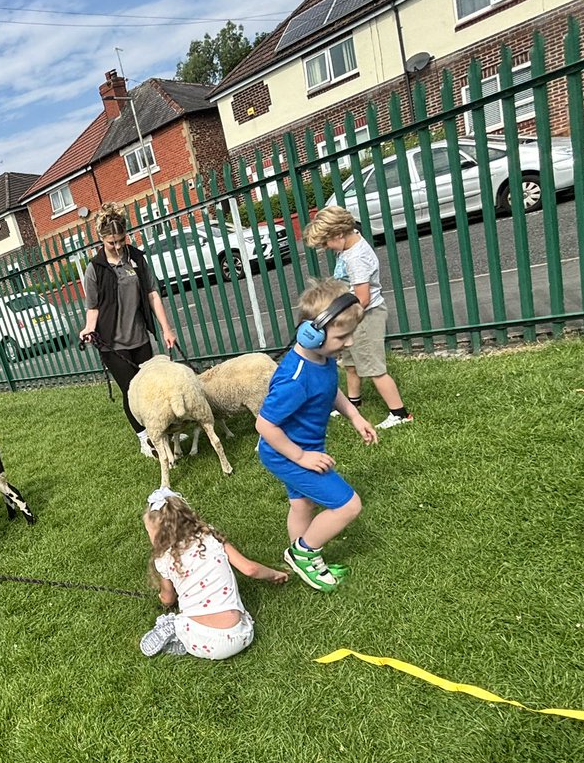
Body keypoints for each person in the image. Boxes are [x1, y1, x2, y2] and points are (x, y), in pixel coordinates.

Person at [256, 278, 379, 592]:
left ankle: (301, 558)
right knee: (348, 505)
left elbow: (329, 389)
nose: (349, 343)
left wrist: (354, 415)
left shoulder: (321, 359)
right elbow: (264, 425)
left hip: (303, 447)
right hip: (286, 452)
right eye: (342, 336)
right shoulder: (294, 379)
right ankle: (304, 553)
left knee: (302, 506)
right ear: (312, 333)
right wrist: (301, 457)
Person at [78, 202, 179, 458]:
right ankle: (145, 438)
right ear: (102, 239)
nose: (118, 246)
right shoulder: (95, 269)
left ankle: (160, 432)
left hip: (139, 337)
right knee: (132, 391)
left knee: (151, 387)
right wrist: (89, 328)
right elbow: (93, 307)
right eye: (112, 242)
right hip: (112, 343)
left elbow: (153, 294)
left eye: (121, 240)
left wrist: (167, 329)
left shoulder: (137, 258)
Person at [138, 488, 287, 659]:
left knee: (180, 620)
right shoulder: (209, 537)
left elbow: (168, 598)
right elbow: (250, 569)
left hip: (201, 640)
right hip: (241, 636)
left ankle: (175, 629)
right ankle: (185, 639)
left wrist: (162, 600)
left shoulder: (164, 559)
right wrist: (274, 574)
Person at [303, 206, 413, 430]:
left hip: (366, 316)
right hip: (355, 317)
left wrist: (334, 313)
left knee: (374, 368)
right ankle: (354, 402)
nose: (326, 248)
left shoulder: (357, 257)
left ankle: (400, 414)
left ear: (339, 234)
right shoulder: (349, 247)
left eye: (326, 243)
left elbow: (361, 298)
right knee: (352, 364)